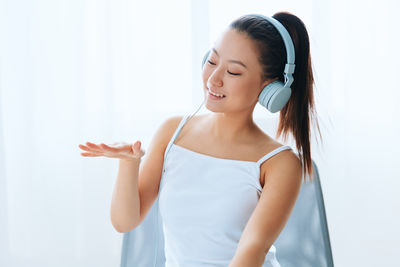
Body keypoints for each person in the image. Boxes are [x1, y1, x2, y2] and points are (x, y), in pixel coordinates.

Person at [79, 11, 321, 267]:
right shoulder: (173, 132)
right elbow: (124, 221)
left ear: (271, 88)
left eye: (234, 72)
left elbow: (252, 251)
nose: (214, 79)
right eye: (212, 61)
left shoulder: (279, 163)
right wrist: (129, 164)